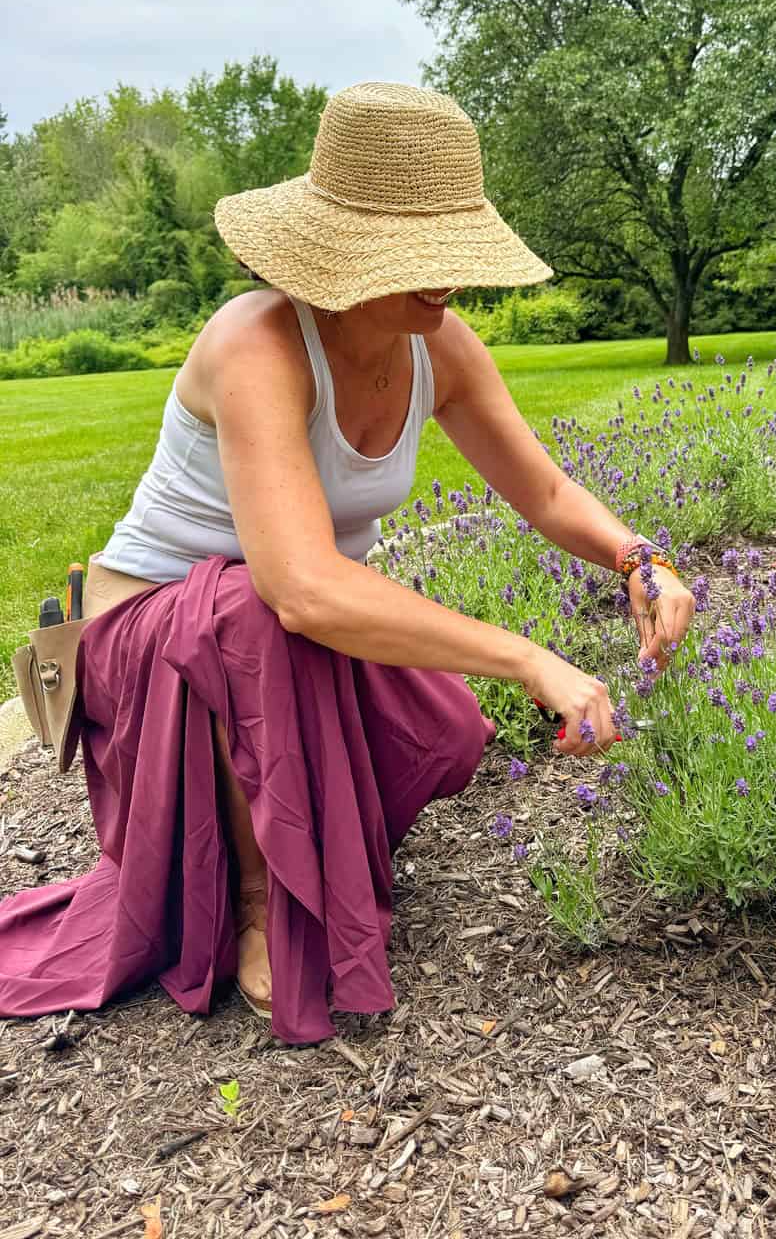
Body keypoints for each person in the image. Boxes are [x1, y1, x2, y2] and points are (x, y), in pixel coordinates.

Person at [0, 83, 695, 1042]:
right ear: (348, 245)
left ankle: (310, 851)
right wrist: (530, 659)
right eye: (423, 249)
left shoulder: (438, 345)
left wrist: (635, 558)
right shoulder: (258, 345)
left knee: (446, 730)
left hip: (284, 624)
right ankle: (258, 907)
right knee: (246, 609)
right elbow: (298, 584)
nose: (448, 276)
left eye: (455, 246)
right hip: (151, 638)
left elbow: (541, 492)